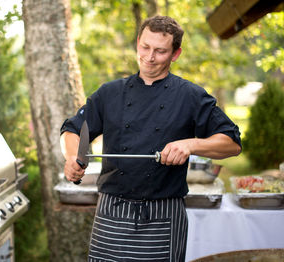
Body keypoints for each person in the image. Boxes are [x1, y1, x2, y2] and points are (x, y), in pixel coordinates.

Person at [60, 15, 241, 262]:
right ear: (137, 42)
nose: (149, 56)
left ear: (175, 54)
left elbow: (231, 143)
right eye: (145, 47)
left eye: (160, 51)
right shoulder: (110, 93)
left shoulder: (190, 96)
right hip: (111, 211)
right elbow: (72, 129)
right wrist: (72, 157)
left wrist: (191, 144)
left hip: (164, 215)